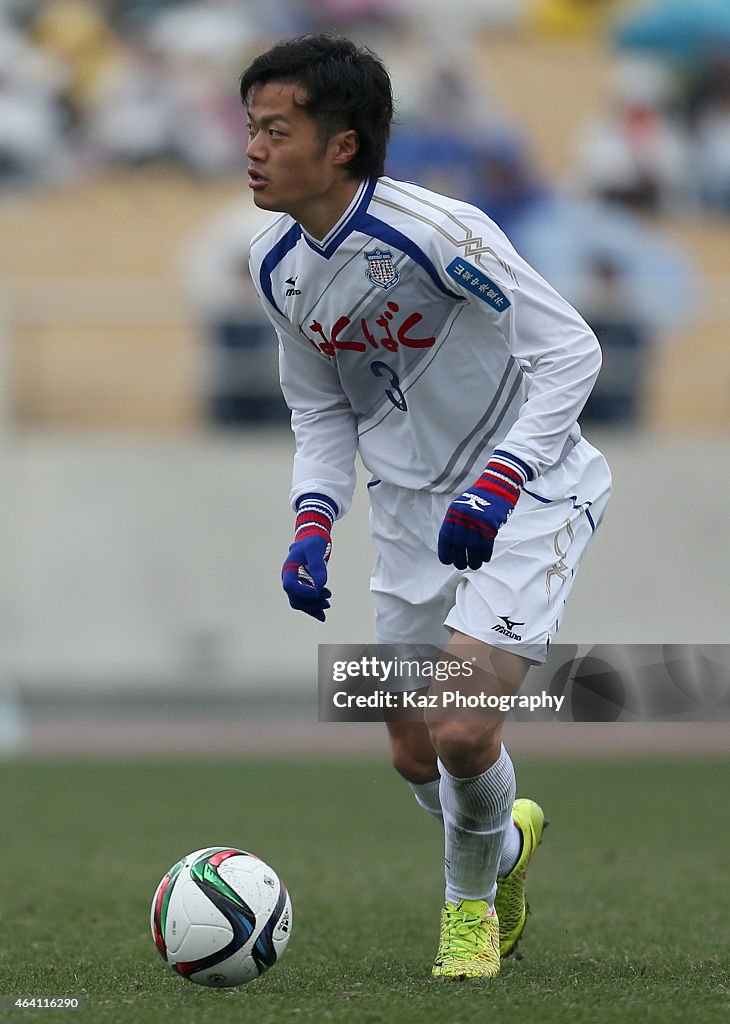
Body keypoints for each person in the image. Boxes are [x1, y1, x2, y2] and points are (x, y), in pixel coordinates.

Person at [242, 33, 611, 979]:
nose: (253, 148)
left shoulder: (444, 232)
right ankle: (508, 843)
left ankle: (469, 914)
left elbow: (572, 350)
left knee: (459, 727)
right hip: (409, 513)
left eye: (275, 129)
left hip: (527, 492)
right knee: (414, 755)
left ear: (343, 145)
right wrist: (313, 521)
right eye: (251, 126)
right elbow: (320, 407)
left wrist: (505, 478)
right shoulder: (275, 259)